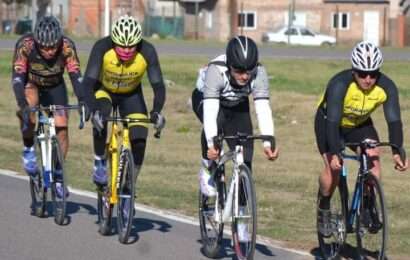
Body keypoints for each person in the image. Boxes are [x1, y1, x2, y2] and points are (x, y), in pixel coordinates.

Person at [315, 41, 408, 236]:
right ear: (353, 71)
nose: (368, 79)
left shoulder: (386, 87)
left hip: (358, 124)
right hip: (329, 123)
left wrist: (397, 151)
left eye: (373, 74)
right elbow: (332, 122)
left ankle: (367, 205)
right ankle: (323, 207)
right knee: (333, 171)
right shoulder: (340, 84)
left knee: (373, 158)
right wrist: (334, 155)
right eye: (362, 73)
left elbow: (394, 121)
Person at [191, 35, 279, 241]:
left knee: (246, 159)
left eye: (249, 70)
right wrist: (212, 145)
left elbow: (262, 108)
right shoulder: (216, 71)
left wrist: (268, 141)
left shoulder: (259, 73)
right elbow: (211, 112)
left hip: (237, 106)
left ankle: (241, 224)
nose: (245, 76)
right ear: (230, 65)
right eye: (239, 71)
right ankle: (206, 169)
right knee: (215, 129)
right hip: (209, 100)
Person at [81, 15, 166, 187]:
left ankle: (130, 184)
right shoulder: (101, 47)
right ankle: (99, 162)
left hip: (131, 94)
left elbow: (158, 86)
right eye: (122, 45)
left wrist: (156, 111)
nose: (126, 50)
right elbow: (88, 82)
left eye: (131, 46)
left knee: (140, 139)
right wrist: (92, 108)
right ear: (113, 41)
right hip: (104, 90)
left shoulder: (147, 51)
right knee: (101, 117)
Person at [12, 15, 84, 198]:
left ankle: (58, 175)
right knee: (28, 110)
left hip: (55, 87)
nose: (49, 51)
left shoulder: (67, 46)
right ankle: (28, 149)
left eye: (53, 46)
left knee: (62, 126)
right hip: (31, 84)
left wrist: (83, 100)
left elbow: (76, 76)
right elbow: (18, 78)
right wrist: (22, 105)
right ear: (36, 41)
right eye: (44, 46)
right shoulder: (25, 45)